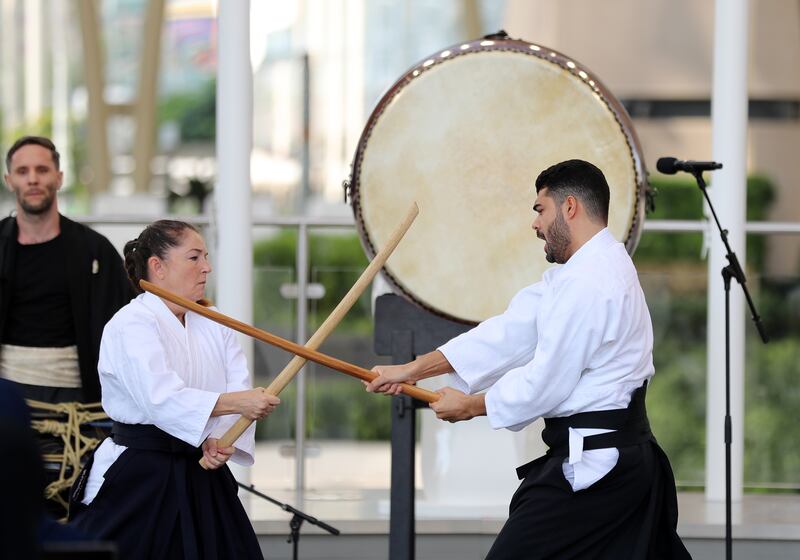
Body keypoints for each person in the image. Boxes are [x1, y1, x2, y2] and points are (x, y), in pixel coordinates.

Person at [367, 160, 691, 559]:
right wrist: (411, 369)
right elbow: (509, 332)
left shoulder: (592, 282)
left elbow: (546, 382)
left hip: (599, 469)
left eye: (541, 209)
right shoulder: (585, 271)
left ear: (569, 207)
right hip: (610, 461)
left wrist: (470, 405)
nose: (535, 224)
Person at [68, 220, 280, 560]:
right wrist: (238, 403)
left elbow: (237, 382)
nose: (206, 267)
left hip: (203, 469)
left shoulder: (214, 321)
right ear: (158, 267)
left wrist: (220, 440)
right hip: (142, 474)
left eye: (206, 257)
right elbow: (161, 398)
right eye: (194, 257)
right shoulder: (130, 324)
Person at [0, 135, 132, 403]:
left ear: (59, 178)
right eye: (23, 171)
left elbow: (126, 323)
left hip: (79, 395)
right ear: (9, 180)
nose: (33, 179)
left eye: (42, 170)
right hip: (7, 393)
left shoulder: (95, 249)